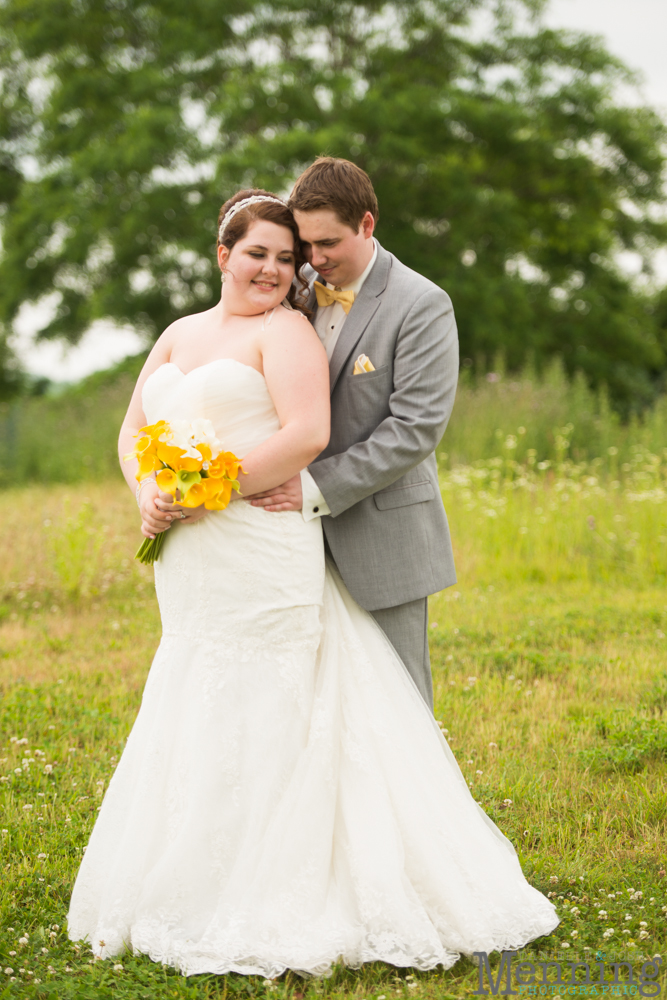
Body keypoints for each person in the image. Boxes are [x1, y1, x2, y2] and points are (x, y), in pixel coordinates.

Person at [67, 188, 558, 978]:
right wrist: (148, 492)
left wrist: (208, 490)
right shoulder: (178, 333)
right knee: (200, 689)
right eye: (256, 252)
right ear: (222, 254)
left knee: (282, 699)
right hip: (194, 559)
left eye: (286, 257)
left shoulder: (287, 330)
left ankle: (294, 883)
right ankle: (194, 872)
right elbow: (133, 430)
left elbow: (308, 434)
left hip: (257, 537)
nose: (273, 268)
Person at [247, 158, 457, 710]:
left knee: (399, 701)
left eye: (329, 243)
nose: (314, 259)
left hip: (383, 534)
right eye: (306, 244)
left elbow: (414, 430)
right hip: (292, 540)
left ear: (367, 224)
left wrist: (312, 488)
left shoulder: (422, 305)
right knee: (312, 697)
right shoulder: (299, 287)